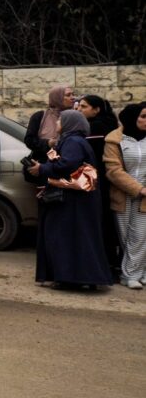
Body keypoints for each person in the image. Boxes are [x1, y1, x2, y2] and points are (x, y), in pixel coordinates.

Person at [25, 110, 111, 289]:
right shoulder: (73, 140)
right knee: (76, 237)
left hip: (73, 201)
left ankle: (71, 279)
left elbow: (67, 165)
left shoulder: (73, 141)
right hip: (75, 200)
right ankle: (78, 278)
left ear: (69, 123)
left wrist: (42, 169)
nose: (57, 124)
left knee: (66, 237)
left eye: (60, 121)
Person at [104, 103, 146, 289]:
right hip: (123, 195)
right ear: (132, 117)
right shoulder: (115, 140)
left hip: (145, 197)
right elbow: (113, 170)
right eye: (143, 116)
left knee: (140, 236)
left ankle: (131, 275)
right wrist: (138, 188)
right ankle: (137, 272)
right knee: (126, 237)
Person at [80, 94, 122, 276]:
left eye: (84, 106)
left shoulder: (95, 128)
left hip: (96, 181)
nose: (79, 109)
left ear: (96, 110)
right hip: (106, 181)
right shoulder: (110, 125)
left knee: (100, 224)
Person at [25, 85, 75, 162]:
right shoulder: (39, 116)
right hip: (42, 163)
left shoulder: (76, 117)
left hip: (68, 163)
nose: (73, 97)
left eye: (73, 94)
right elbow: (29, 140)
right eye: (68, 95)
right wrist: (48, 143)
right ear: (57, 98)